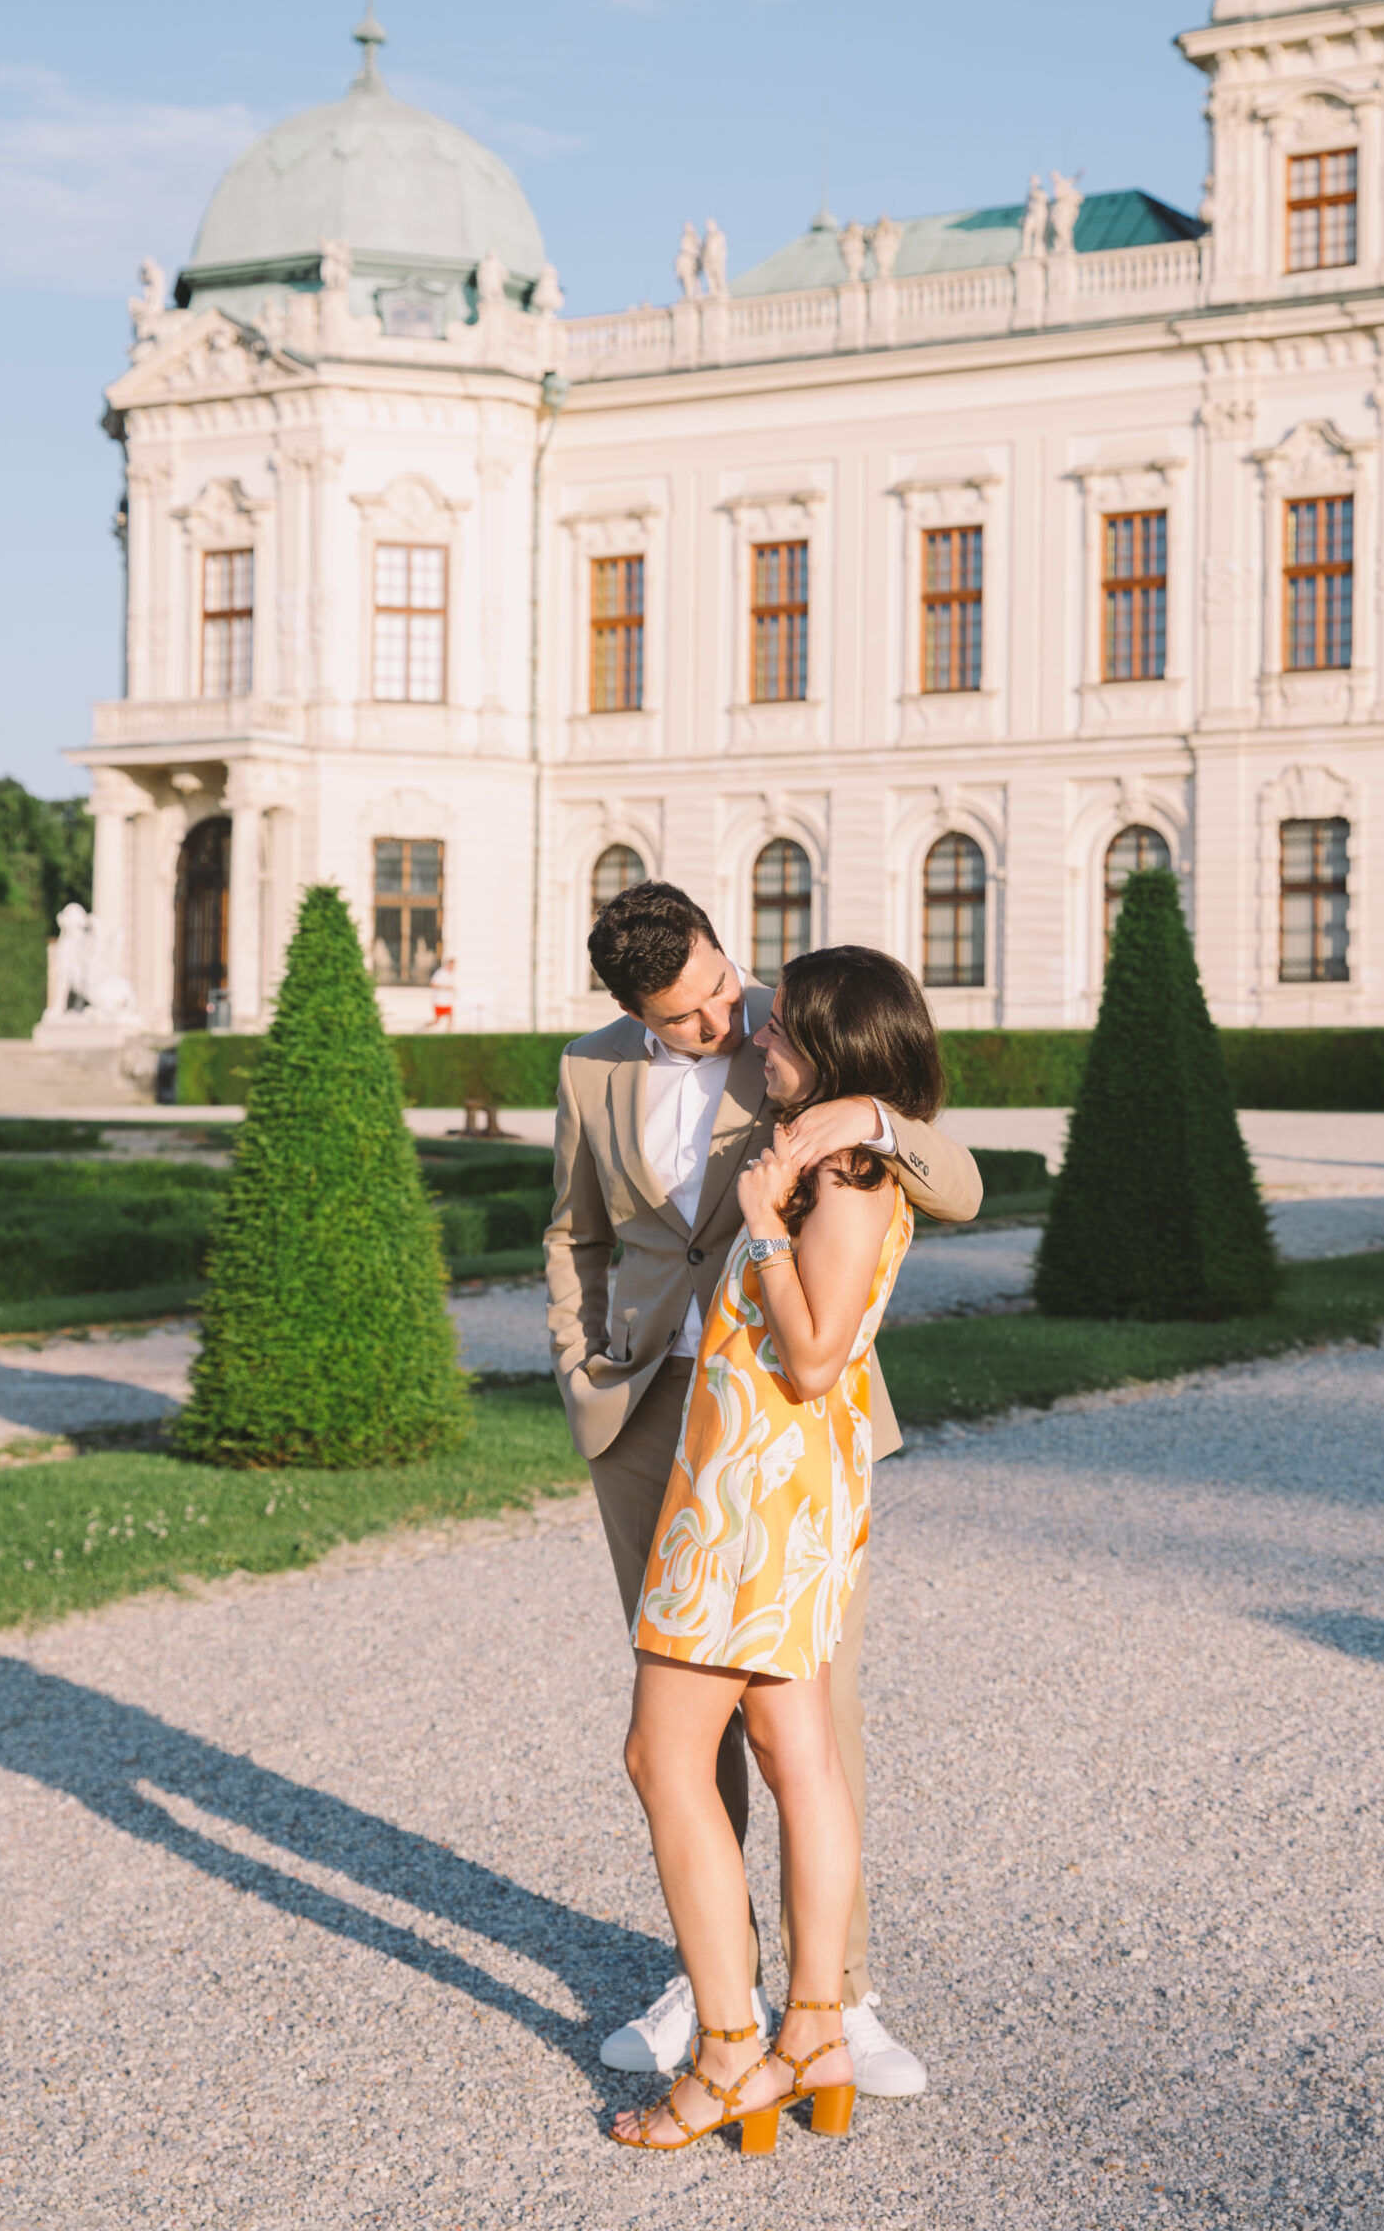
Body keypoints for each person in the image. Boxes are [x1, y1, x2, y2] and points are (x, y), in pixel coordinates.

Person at [544, 881, 981, 2095]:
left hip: (775, 1425)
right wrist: (579, 1366)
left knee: (805, 1725)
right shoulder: (589, 1071)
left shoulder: (806, 1029)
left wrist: (874, 1119)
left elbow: (961, 1180)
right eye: (686, 1018)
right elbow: (573, 1230)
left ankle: (834, 1992)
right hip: (645, 1416)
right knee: (689, 1712)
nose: (722, 1022)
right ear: (637, 1011)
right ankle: (712, 1975)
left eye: (725, 988)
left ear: (726, 948)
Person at [609, 943, 936, 2153]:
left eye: (786, 1028)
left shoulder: (846, 1176)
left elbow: (811, 1354)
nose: (760, 1037)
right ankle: (811, 2031)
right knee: (794, 1751)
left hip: (758, 1495)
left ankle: (734, 2050)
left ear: (841, 1052)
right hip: (765, 1483)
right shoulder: (825, 1148)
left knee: (660, 1756)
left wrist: (755, 1232)